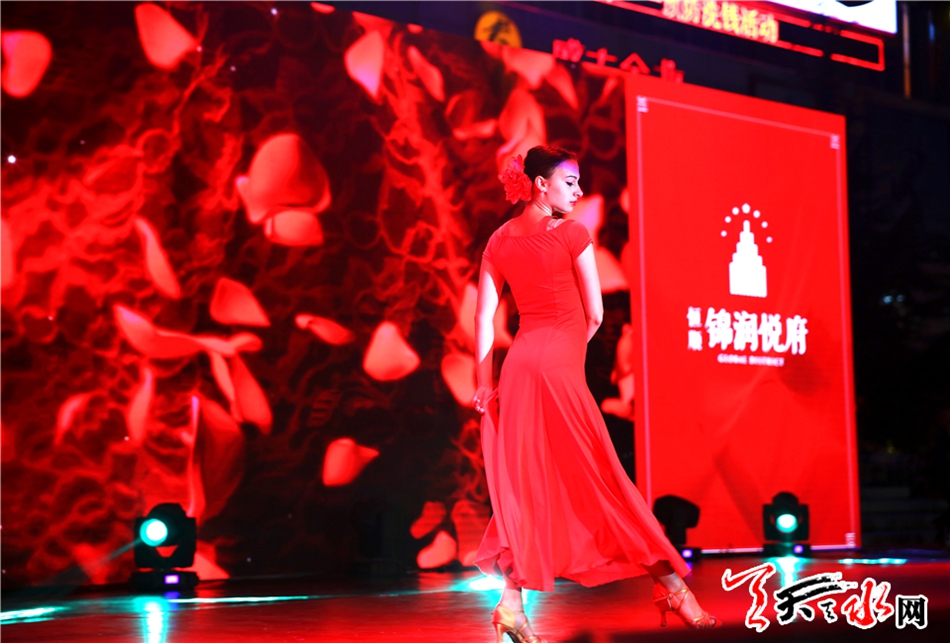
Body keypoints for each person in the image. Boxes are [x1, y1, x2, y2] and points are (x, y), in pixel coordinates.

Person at [472, 146, 718, 642]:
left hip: (516, 368)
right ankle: (672, 587)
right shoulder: (573, 233)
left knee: (526, 489)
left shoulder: (498, 240)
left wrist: (483, 380)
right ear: (540, 184)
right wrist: (566, 350)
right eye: (570, 182)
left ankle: (511, 606)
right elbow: (596, 315)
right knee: (602, 480)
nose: (579, 191)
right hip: (558, 369)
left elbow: (483, 316)